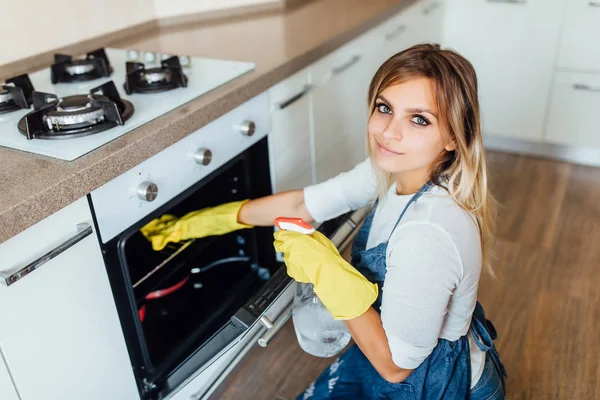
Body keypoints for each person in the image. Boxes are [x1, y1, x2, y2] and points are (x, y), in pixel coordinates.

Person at [141, 43, 507, 399]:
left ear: (453, 138)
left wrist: (328, 270)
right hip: (391, 349)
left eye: (419, 119)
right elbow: (303, 203)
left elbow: (397, 368)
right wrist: (206, 221)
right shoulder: (398, 170)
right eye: (384, 108)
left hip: (434, 381)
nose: (388, 131)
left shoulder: (429, 232)